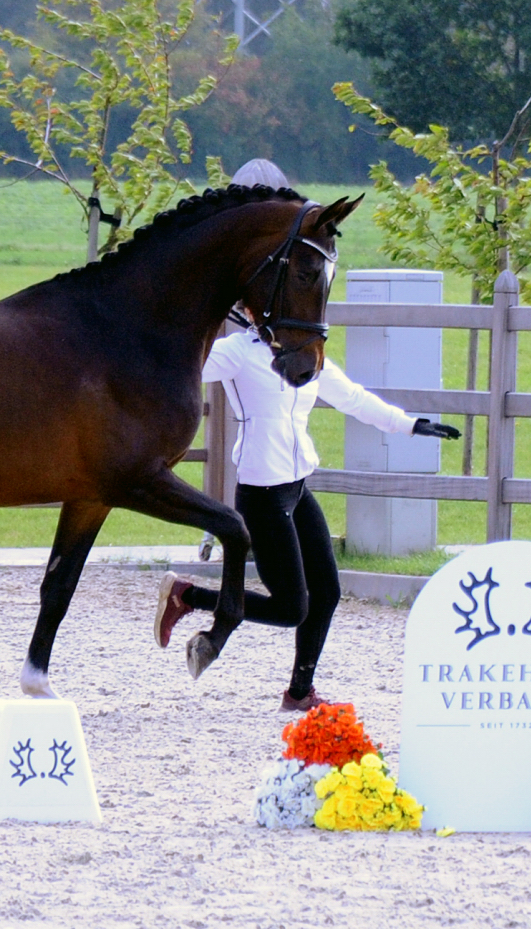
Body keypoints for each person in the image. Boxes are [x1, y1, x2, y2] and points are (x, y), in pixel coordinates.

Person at [155, 163, 461, 711]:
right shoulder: (235, 354)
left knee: (329, 594)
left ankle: (300, 691)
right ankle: (190, 595)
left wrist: (412, 424)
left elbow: (353, 397)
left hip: (298, 488)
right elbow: (183, 365)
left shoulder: (299, 355)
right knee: (293, 605)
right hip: (262, 495)